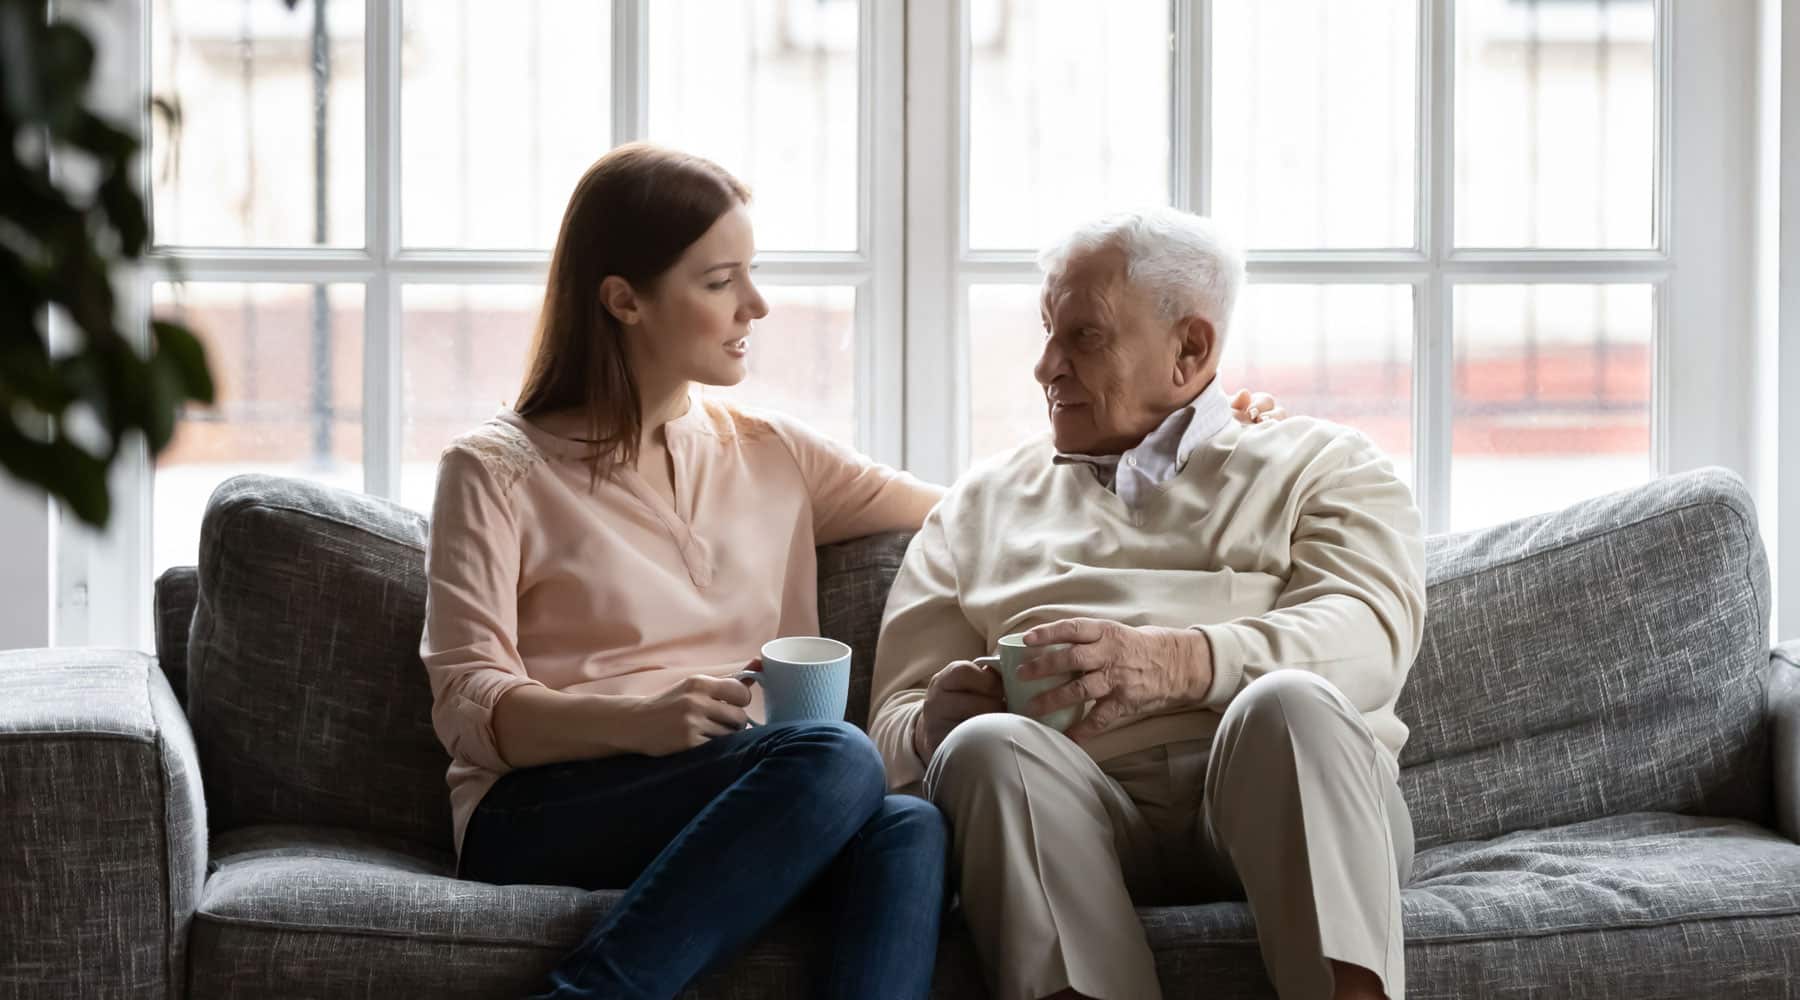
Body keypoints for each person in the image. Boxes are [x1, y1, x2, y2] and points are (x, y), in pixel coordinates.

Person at [418, 143, 955, 1000]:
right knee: (840, 758)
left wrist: (1206, 436)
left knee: (909, 827)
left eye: (753, 274)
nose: (759, 305)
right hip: (540, 807)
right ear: (624, 299)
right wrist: (638, 718)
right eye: (720, 282)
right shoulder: (494, 470)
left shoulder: (776, 453)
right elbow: (467, 706)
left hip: (750, 784)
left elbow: (979, 507)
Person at [869, 207, 1426, 1000]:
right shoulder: (978, 505)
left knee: (1293, 704)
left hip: (1282, 795)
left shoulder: (1323, 464)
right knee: (986, 745)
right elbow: (889, 720)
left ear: (1191, 347)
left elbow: (1369, 639)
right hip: (1069, 808)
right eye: (1045, 333)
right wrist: (930, 725)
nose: (1045, 368)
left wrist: (1173, 661)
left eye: (1083, 338)